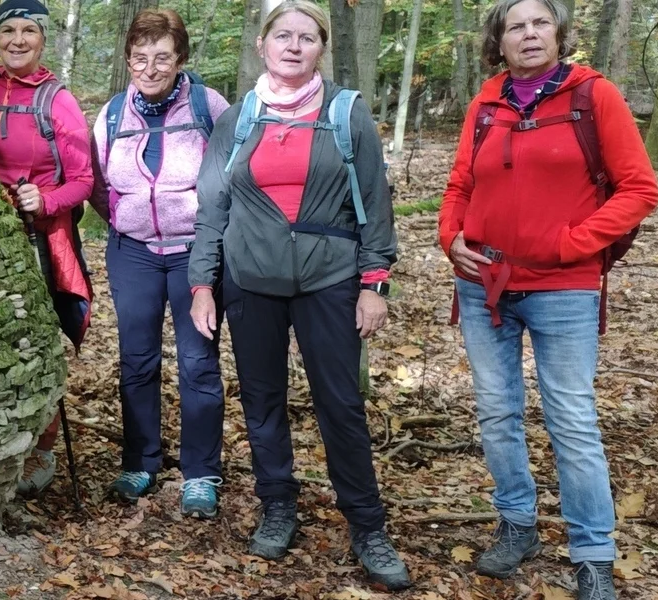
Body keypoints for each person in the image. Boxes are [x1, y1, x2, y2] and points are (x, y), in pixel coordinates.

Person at [441, 1, 658, 597]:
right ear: (500, 40)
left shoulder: (595, 96)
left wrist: (574, 243)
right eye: (516, 25)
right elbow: (462, 182)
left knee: (572, 418)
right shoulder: (486, 104)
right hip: (484, 281)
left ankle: (592, 553)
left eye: (540, 22)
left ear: (559, 33)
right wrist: (449, 237)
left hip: (564, 287)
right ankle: (517, 524)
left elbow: (639, 187)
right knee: (496, 411)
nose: (529, 34)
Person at [188, 0, 407, 589]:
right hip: (249, 281)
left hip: (328, 279)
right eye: (281, 35)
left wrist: (374, 284)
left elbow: (375, 203)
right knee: (262, 402)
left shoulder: (346, 112)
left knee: (340, 402)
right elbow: (212, 207)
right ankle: (278, 505)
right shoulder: (237, 119)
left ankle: (367, 525)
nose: (293, 45)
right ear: (262, 45)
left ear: (321, 49)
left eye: (306, 38)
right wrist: (202, 284)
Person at [90, 8, 228, 516]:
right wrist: (132, 222)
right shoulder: (110, 115)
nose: (150, 68)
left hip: (197, 254)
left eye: (162, 58)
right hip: (134, 253)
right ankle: (141, 461)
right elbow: (101, 188)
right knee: (137, 361)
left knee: (197, 361)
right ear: (128, 60)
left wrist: (203, 237)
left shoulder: (208, 106)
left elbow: (231, 177)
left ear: (180, 59)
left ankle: (201, 472)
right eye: (140, 58)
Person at [0, 0, 97, 495]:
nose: (17, 40)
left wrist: (46, 199)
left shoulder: (58, 100)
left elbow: (83, 179)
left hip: (37, 235)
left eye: (28, 31)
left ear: (43, 39)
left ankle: (42, 450)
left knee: (37, 339)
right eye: (8, 30)